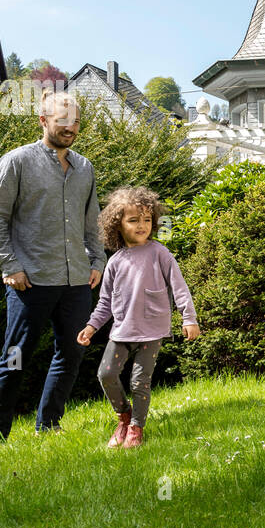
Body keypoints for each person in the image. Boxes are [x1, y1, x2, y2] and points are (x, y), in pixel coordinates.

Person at [0, 89, 104, 449]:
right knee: (15, 358)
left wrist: (97, 260)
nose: (70, 127)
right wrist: (9, 264)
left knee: (72, 352)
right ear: (43, 120)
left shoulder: (84, 167)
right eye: (62, 120)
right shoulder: (16, 162)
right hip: (29, 281)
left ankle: (48, 424)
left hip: (76, 280)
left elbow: (92, 220)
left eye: (76, 121)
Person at [77, 186, 200, 448]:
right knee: (106, 374)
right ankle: (124, 417)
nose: (141, 225)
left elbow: (179, 288)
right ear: (117, 225)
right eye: (133, 220)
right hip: (122, 330)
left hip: (152, 330)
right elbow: (105, 303)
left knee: (139, 381)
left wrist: (189, 318)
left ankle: (136, 428)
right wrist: (90, 327)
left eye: (146, 220)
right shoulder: (115, 262)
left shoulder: (160, 254)